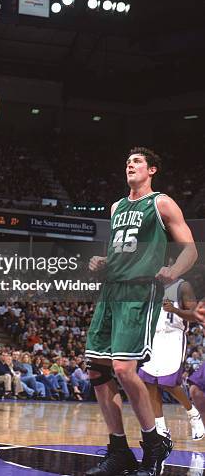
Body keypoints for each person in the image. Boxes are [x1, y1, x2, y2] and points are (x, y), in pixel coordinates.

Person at [85, 148, 197, 476]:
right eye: (127, 162)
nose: (130, 166)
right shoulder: (117, 207)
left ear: (152, 170)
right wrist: (102, 262)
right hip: (110, 291)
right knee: (96, 370)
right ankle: (118, 449)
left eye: (136, 162)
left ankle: (154, 442)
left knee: (123, 369)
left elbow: (190, 248)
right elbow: (119, 250)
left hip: (139, 291)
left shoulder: (161, 203)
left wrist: (174, 271)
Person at [138, 278, 205, 440]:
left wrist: (175, 311)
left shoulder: (183, 286)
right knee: (149, 382)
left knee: (167, 382)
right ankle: (160, 428)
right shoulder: (151, 286)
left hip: (173, 337)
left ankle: (192, 413)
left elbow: (195, 316)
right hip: (153, 337)